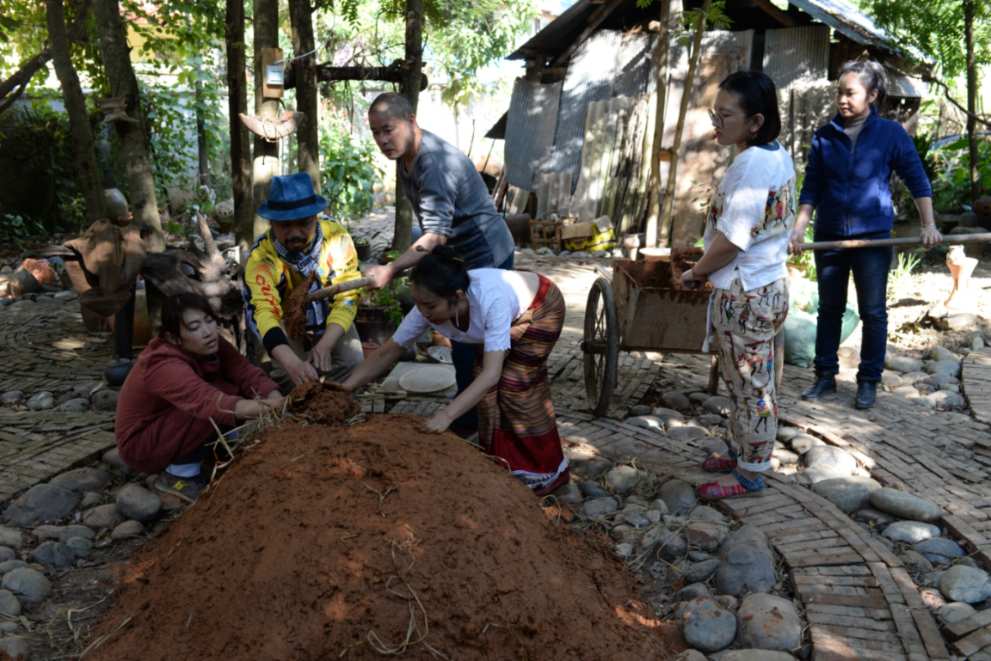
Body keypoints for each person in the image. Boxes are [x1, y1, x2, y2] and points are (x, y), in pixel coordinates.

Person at [342, 247, 569, 495]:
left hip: (540, 307)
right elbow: (388, 351)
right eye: (419, 304)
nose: (423, 313)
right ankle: (505, 461)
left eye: (430, 306)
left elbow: (492, 374)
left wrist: (447, 416)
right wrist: (345, 388)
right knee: (487, 391)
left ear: (458, 297)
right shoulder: (427, 307)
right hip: (508, 311)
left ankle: (547, 470)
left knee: (515, 385)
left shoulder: (490, 300)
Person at [791, 60, 941, 410]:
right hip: (830, 237)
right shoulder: (825, 135)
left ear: (872, 95)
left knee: (873, 311)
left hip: (873, 239)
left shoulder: (891, 134)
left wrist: (928, 224)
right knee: (829, 309)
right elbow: (811, 187)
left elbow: (917, 180)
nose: (842, 99)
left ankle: (868, 380)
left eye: (850, 93)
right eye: (839, 92)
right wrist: (799, 229)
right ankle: (824, 376)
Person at [365, 92, 515, 436]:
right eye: (376, 133)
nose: (383, 140)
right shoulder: (405, 159)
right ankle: (471, 418)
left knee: (474, 342)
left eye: (388, 129)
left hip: (486, 253)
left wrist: (391, 270)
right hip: (457, 255)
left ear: (411, 121)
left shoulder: (432, 162)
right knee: (462, 339)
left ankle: (472, 428)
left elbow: (434, 235)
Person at [681, 71, 795, 500]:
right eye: (716, 112)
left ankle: (750, 473)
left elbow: (731, 241)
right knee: (742, 381)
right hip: (764, 284)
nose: (717, 121)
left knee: (752, 387)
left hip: (746, 292)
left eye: (726, 115)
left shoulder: (751, 165)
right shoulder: (773, 153)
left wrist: (696, 272)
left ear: (755, 121)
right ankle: (742, 450)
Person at [115, 293, 285, 502]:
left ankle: (217, 448)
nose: (207, 332)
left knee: (230, 386)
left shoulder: (210, 341)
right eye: (194, 327)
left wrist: (274, 396)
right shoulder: (163, 363)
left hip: (172, 423)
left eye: (209, 321)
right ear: (173, 338)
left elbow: (244, 372)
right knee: (214, 405)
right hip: (142, 444)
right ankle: (179, 474)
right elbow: (210, 403)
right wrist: (277, 408)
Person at [243, 172, 365, 389]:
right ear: (271, 222)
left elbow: (347, 295)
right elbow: (264, 313)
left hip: (331, 314)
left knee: (352, 363)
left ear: (316, 217)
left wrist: (326, 343)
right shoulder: (261, 258)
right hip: (285, 321)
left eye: (303, 224)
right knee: (291, 378)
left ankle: (337, 404)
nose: (295, 233)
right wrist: (292, 364)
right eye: (285, 226)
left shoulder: (336, 238)